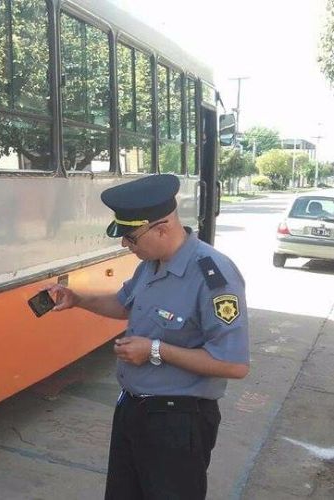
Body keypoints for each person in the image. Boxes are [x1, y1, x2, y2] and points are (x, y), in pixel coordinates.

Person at [44, 174, 249, 500]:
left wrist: (155, 350)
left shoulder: (214, 277)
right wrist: (78, 299)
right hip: (133, 410)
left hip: (178, 423)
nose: (125, 244)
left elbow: (234, 364)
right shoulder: (150, 265)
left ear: (163, 228)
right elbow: (123, 304)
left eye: (131, 237)